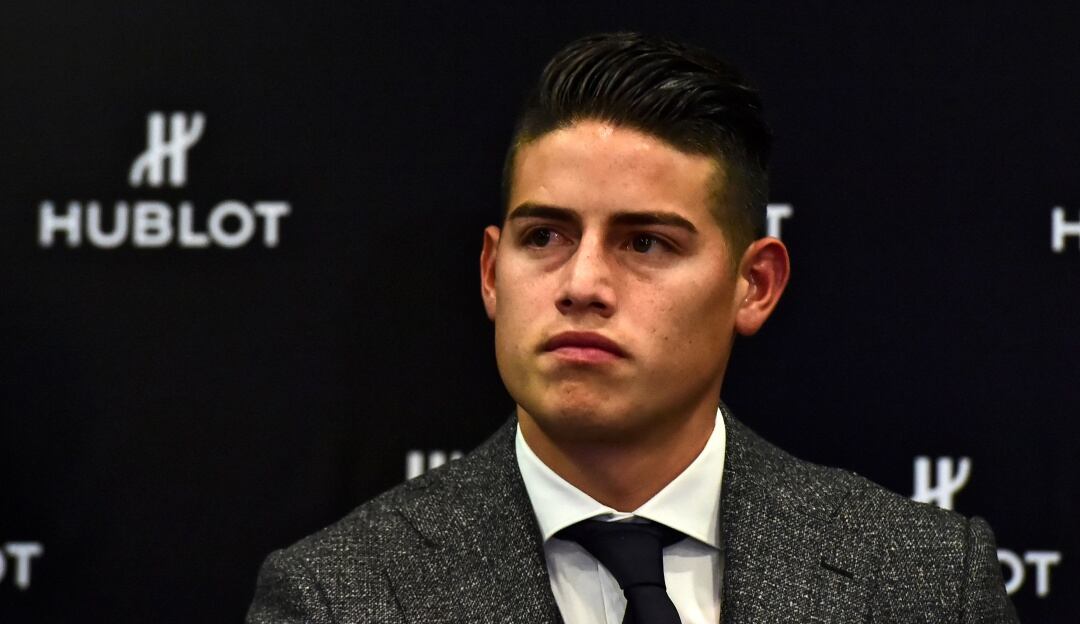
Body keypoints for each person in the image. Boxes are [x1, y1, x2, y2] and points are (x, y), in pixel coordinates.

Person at [247, 32, 1018, 623]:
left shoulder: (925, 583)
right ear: (490, 273)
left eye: (646, 243)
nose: (582, 284)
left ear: (754, 285)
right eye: (544, 237)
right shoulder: (338, 598)